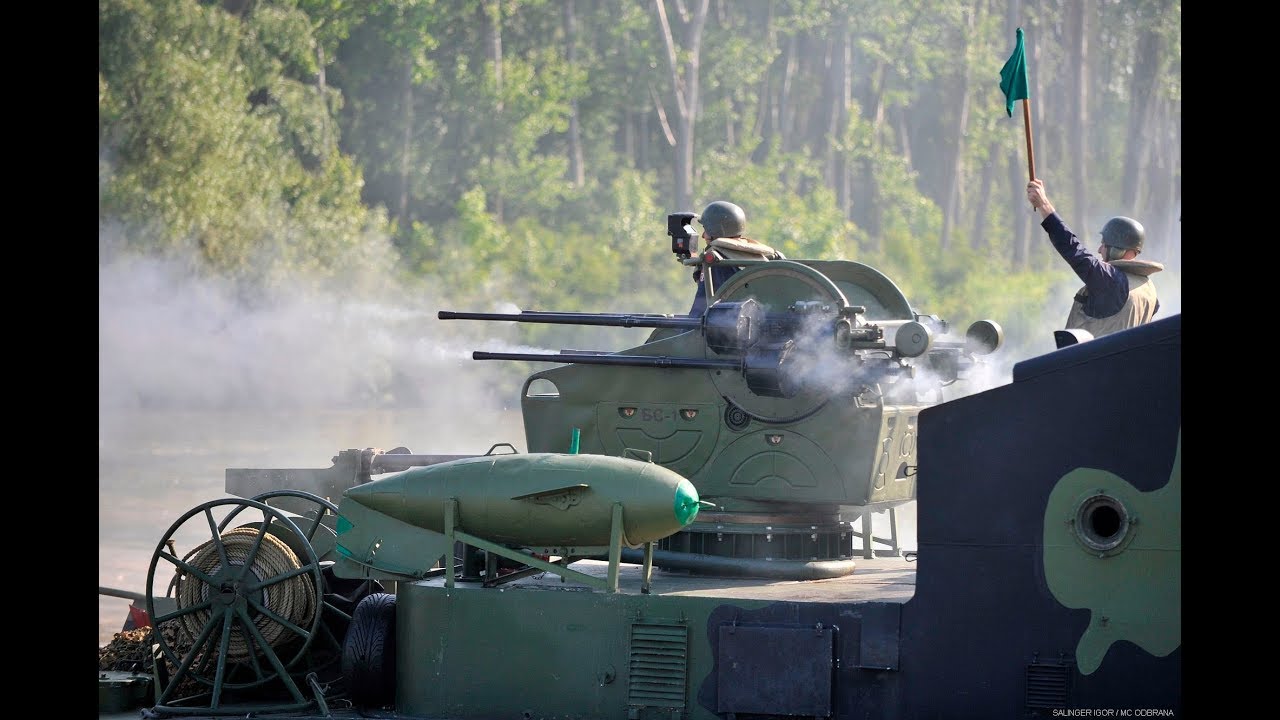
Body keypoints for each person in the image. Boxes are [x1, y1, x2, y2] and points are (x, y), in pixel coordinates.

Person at [1026, 179, 1162, 339]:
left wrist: (1044, 205)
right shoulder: (1148, 289)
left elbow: (1073, 250)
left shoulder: (1111, 281)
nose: (1099, 250)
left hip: (1095, 363)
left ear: (1118, 249)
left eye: (1103, 245)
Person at [687, 200, 784, 316]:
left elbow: (699, 310)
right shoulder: (758, 254)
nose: (703, 235)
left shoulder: (715, 260)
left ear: (717, 230)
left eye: (706, 230)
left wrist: (685, 329)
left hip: (726, 326)